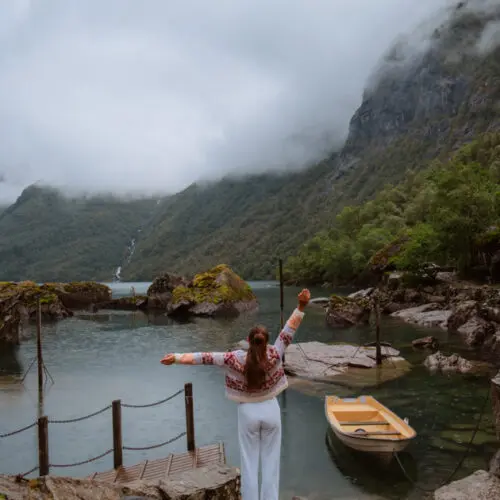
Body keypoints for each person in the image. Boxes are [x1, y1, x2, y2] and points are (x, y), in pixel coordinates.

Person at [160, 288, 311, 500]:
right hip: (271, 411)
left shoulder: (233, 358)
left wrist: (175, 357)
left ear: (248, 341)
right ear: (266, 342)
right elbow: (288, 331)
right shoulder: (275, 354)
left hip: (248, 412)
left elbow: (205, 357)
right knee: (271, 462)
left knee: (249, 463)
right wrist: (302, 305)